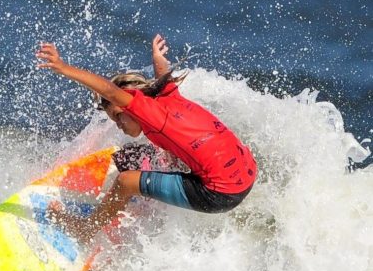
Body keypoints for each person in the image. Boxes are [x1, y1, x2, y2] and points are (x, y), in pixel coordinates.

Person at [36, 34, 257, 243]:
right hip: (246, 171)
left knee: (126, 180)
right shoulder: (168, 95)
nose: (119, 125)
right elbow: (164, 77)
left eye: (118, 116)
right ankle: (146, 192)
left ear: (131, 106)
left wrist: (64, 68)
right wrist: (158, 60)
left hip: (220, 193)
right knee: (133, 156)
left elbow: (110, 92)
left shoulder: (149, 113)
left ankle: (85, 230)